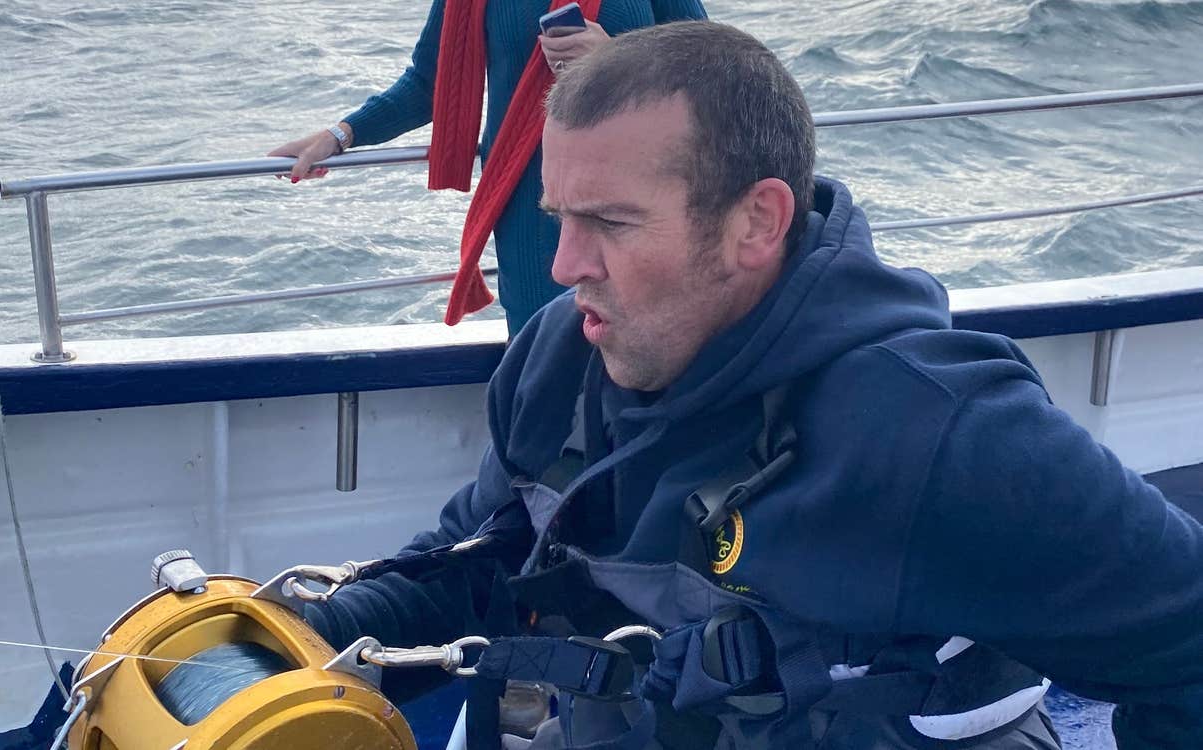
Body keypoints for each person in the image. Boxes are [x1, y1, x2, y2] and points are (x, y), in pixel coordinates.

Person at [302, 21, 1203, 749]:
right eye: (558, 218)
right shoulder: (559, 354)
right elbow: (482, 555)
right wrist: (304, 637)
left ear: (755, 222)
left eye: (610, 222)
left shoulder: (935, 432)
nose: (569, 265)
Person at [268, 0, 707, 336]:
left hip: (641, 202)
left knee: (644, 351)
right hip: (531, 213)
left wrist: (615, 59)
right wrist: (340, 134)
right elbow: (429, 83)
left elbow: (710, 71)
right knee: (543, 365)